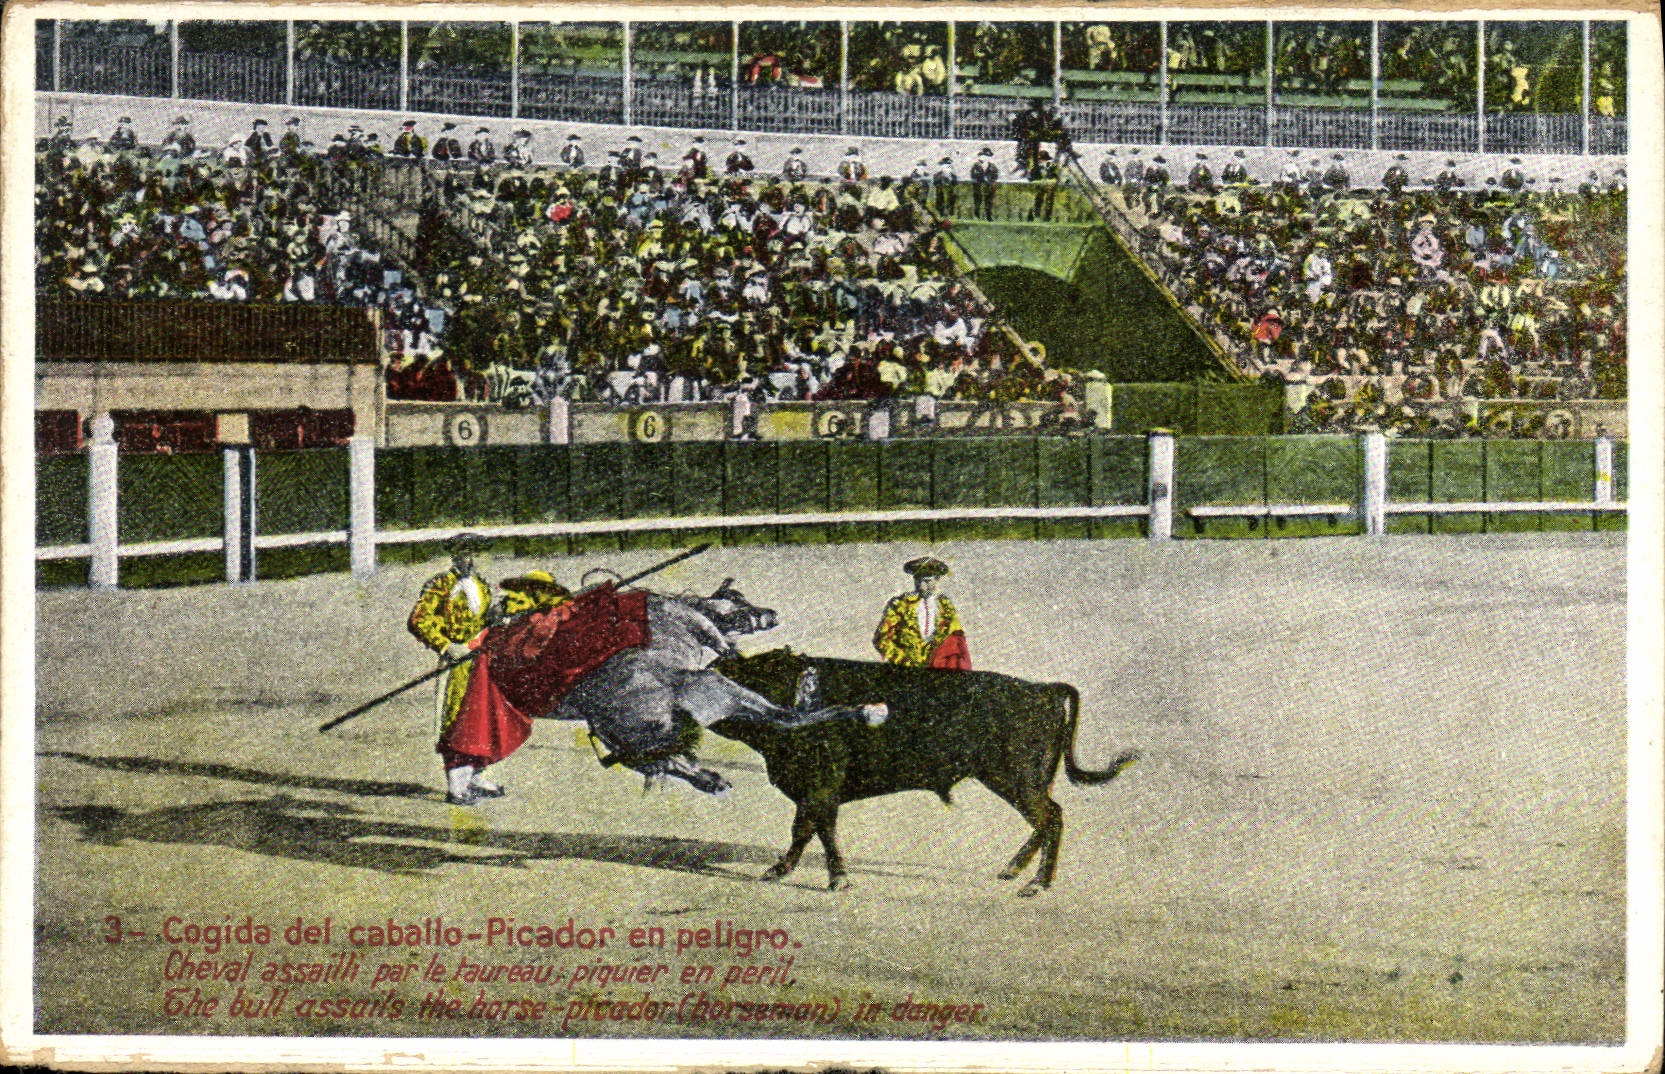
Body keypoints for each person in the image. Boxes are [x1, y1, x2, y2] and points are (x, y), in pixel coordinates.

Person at [408, 533, 499, 805]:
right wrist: (447, 646)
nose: (467, 559)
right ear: (453, 556)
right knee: (457, 718)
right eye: (462, 553)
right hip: (457, 661)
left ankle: (477, 776)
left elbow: (484, 620)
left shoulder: (482, 585)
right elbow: (419, 620)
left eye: (473, 553)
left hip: (481, 659)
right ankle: (457, 785)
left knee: (482, 716)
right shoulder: (441, 585)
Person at [872, 557, 971, 670]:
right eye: (918, 581)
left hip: (937, 670)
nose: (922, 586)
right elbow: (882, 639)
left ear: (937, 579)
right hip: (905, 670)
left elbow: (956, 641)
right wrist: (901, 660)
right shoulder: (900, 605)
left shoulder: (946, 606)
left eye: (927, 581)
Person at [970, 146, 999, 221]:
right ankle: (977, 215)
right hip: (979, 184)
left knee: (989, 201)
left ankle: (989, 216)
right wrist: (979, 178)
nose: (986, 157)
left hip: (989, 185)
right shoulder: (976, 165)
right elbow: (972, 174)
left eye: (988, 156)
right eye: (985, 155)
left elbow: (996, 175)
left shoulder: (992, 166)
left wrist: (991, 181)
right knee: (977, 200)